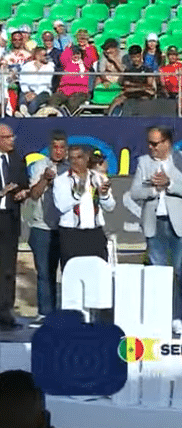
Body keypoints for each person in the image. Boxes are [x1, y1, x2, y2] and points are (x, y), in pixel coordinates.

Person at [131, 126, 182, 336]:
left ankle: (180, 316)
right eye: (149, 143)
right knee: (157, 273)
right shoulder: (144, 162)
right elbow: (135, 192)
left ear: (167, 142)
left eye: (155, 143)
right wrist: (152, 190)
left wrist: (170, 185)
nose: (151, 148)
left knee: (180, 272)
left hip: (180, 225)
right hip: (155, 223)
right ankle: (159, 315)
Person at [25, 131, 69, 327]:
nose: (58, 151)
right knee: (44, 272)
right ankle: (44, 313)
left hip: (66, 227)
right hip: (41, 226)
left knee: (67, 272)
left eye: (62, 147)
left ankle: (66, 312)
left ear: (66, 149)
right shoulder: (40, 166)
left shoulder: (71, 168)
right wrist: (45, 180)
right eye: (55, 147)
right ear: (50, 148)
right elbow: (33, 195)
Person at [53, 145, 114, 265]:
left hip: (94, 233)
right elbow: (61, 206)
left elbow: (110, 207)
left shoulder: (99, 178)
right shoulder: (61, 181)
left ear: (86, 158)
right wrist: (77, 195)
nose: (76, 161)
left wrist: (104, 195)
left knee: (98, 271)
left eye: (79, 157)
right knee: (72, 273)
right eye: (72, 158)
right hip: (71, 234)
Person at [0, 124, 30, 331]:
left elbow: (24, 183)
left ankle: (5, 311)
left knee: (8, 268)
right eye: (8, 137)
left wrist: (22, 193)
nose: (12, 140)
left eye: (12, 136)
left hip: (9, 219)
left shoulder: (17, 160)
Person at [108, 44, 156, 115]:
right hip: (131, 94)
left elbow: (149, 85)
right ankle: (108, 118)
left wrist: (133, 85)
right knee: (117, 100)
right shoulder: (128, 70)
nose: (136, 59)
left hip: (143, 94)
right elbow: (126, 86)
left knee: (145, 100)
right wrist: (141, 87)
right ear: (130, 57)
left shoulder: (147, 69)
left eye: (137, 56)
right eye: (133, 57)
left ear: (141, 55)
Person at [48, 45, 90, 115]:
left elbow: (90, 57)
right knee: (53, 100)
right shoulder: (67, 63)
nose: (76, 56)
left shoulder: (85, 64)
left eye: (78, 53)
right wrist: (68, 48)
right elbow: (63, 57)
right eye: (74, 54)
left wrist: (86, 48)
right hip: (64, 90)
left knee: (72, 102)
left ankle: (68, 119)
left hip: (80, 90)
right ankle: (53, 118)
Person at [17, 47, 54, 117]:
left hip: (43, 91)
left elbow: (46, 84)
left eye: (46, 55)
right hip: (29, 90)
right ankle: (24, 112)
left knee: (33, 103)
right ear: (37, 56)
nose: (46, 57)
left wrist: (35, 94)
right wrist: (27, 91)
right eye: (43, 55)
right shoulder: (27, 66)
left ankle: (24, 115)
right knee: (22, 98)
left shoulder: (50, 67)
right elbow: (22, 80)